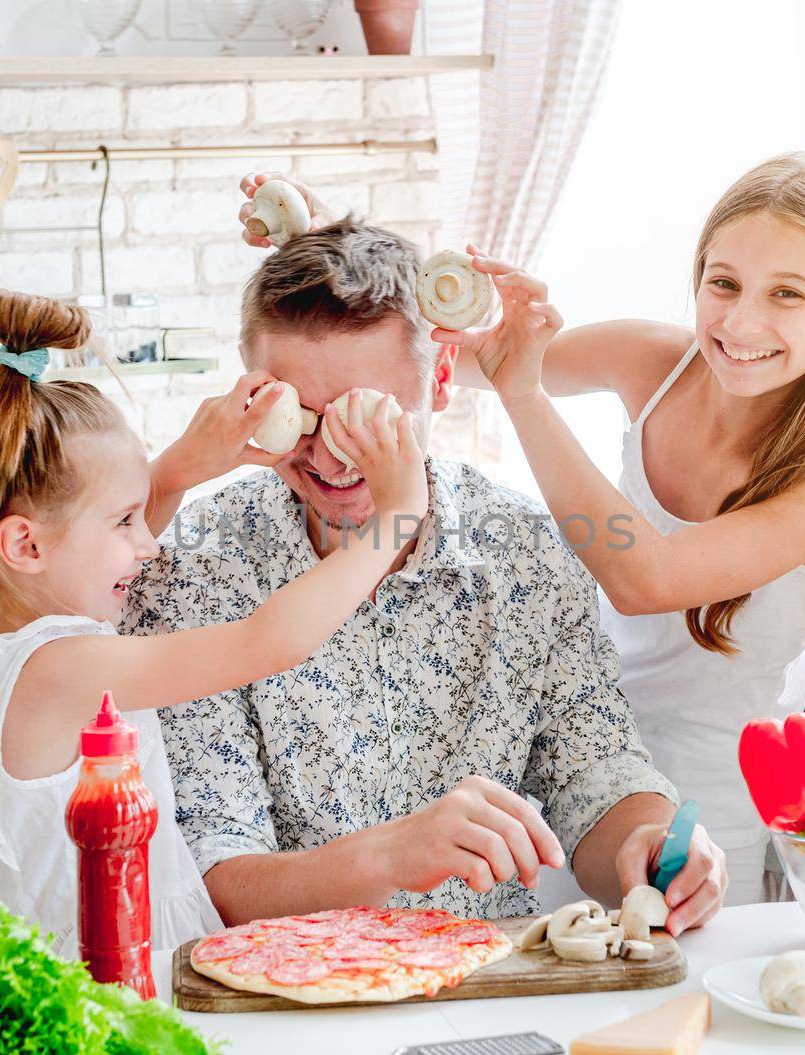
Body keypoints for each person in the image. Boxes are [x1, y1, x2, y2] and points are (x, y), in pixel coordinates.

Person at [124, 220, 728, 936]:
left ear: (441, 380)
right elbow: (213, 878)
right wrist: (391, 854)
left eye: (372, 417)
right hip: (284, 1006)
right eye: (301, 417)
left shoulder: (528, 552)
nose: (333, 455)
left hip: (488, 987)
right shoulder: (195, 572)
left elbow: (592, 770)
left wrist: (645, 842)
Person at [434, 154, 805, 904]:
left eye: (788, 295)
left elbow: (648, 579)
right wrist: (341, 252)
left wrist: (527, 397)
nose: (740, 322)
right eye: (723, 282)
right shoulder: (657, 362)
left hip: (698, 833)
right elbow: (472, 355)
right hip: (566, 779)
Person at [0, 288, 428, 955]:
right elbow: (267, 641)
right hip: (118, 986)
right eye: (125, 521)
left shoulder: (11, 649)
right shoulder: (58, 666)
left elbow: (85, 537)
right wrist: (396, 517)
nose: (149, 541)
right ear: (25, 546)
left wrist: (185, 463)